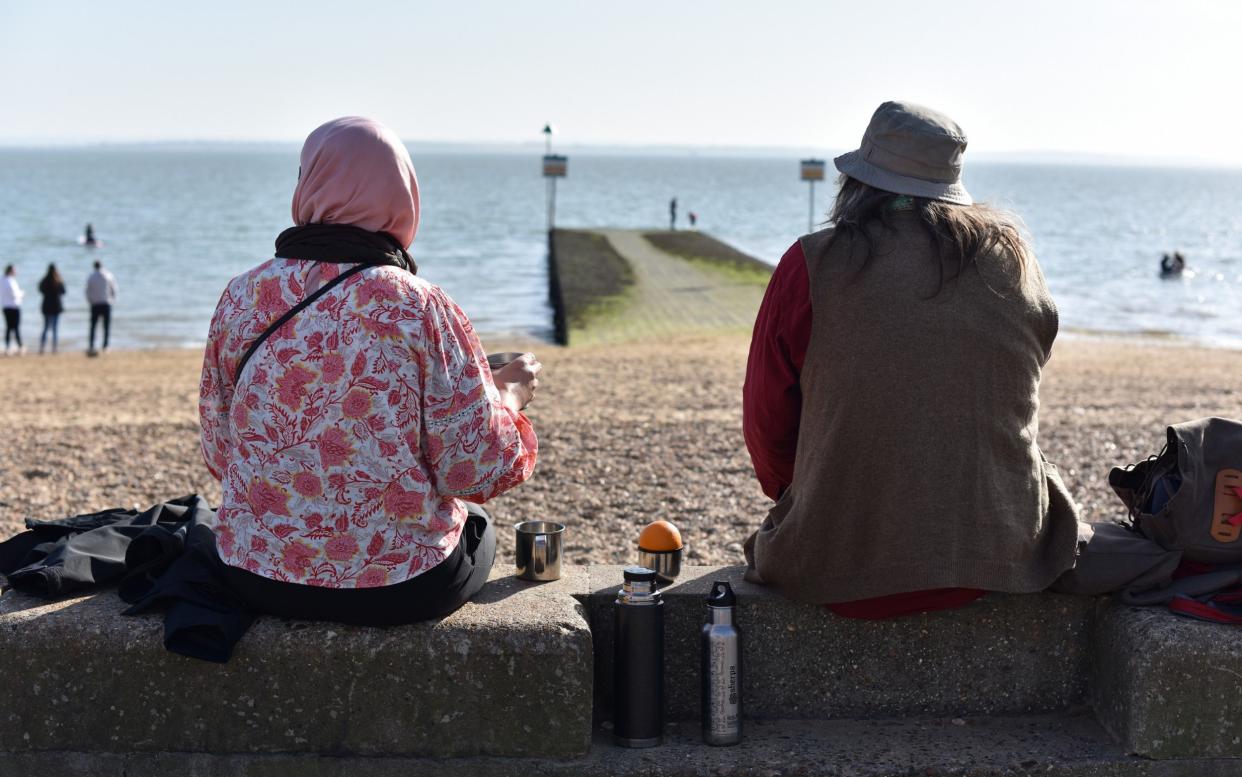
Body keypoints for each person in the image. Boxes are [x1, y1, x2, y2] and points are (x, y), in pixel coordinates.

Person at [199, 116, 541, 626]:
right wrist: (506, 398)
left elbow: (221, 450)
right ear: (402, 194)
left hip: (254, 575)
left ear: (308, 183)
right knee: (480, 526)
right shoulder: (418, 305)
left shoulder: (242, 297)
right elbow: (473, 469)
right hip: (397, 587)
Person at [743, 101, 1078, 618]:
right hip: (1005, 556)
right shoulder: (1014, 261)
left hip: (832, 566)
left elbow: (767, 422)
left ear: (857, 182)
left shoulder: (811, 264)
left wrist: (810, 491)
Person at [85, 260, 117, 354]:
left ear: (94, 266)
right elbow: (114, 289)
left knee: (93, 327)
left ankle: (91, 345)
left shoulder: (91, 276)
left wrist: (90, 300)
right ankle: (105, 346)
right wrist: (112, 300)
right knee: (106, 326)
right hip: (106, 303)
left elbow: (87, 291)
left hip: (95, 304)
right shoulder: (108, 275)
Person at [38, 263, 66, 354]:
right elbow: (64, 291)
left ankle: (42, 347)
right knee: (55, 328)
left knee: (45, 328)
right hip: (56, 307)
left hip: (46, 306)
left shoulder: (44, 280)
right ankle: (54, 348)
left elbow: (40, 290)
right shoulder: (58, 280)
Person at [1, 264, 23, 355]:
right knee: (16, 328)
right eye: (14, 270)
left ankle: (7, 346)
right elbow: (15, 294)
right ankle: (20, 346)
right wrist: (22, 294)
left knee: (8, 328)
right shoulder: (11, 281)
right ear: (10, 271)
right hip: (14, 307)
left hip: (5, 307)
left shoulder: (1, 280)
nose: (15, 272)